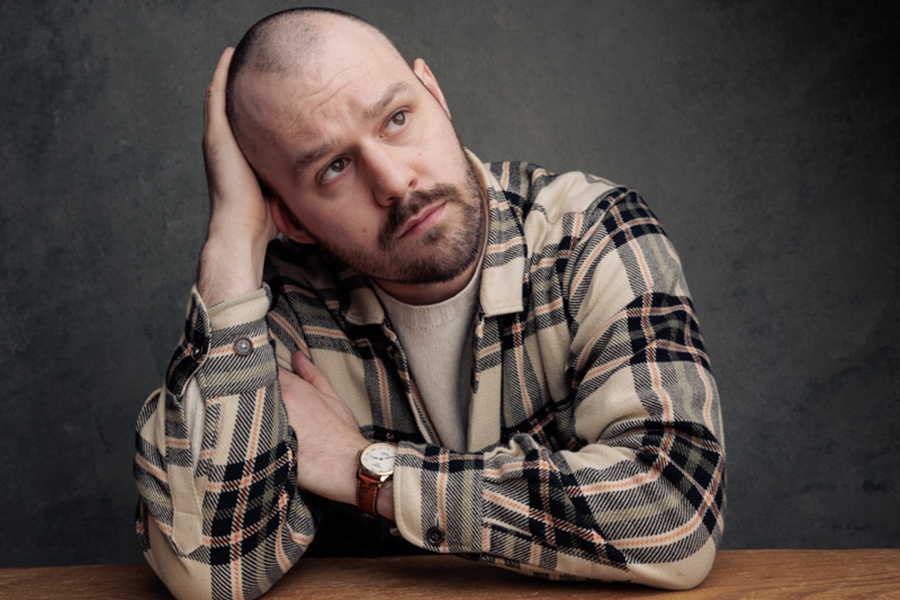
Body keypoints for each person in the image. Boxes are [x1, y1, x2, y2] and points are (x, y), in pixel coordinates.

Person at [133, 7, 725, 600]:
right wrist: (232, 236)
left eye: (396, 118)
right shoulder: (277, 313)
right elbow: (210, 568)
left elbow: (672, 508)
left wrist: (365, 470)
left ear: (435, 95)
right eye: (333, 167)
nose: (392, 181)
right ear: (290, 218)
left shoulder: (590, 234)